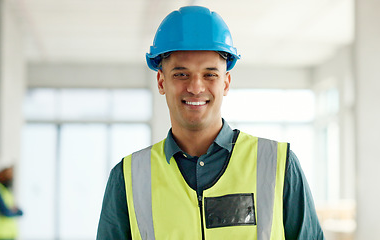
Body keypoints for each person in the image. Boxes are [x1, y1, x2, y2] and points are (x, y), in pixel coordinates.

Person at [97, 5, 324, 240]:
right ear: (161, 81)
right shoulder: (128, 178)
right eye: (181, 74)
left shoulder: (278, 165)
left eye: (210, 74)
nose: (196, 87)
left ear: (225, 83)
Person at [0, 166, 23, 240]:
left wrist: (14, 211)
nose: (11, 178)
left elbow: (20, 212)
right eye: (9, 176)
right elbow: (6, 211)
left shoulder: (7, 191)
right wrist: (14, 211)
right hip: (1, 234)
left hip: (10, 233)